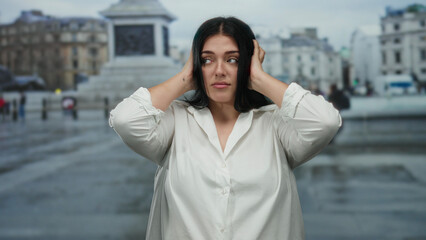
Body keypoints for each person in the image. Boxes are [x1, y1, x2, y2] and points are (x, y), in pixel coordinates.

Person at [109, 17, 341, 240]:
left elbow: (325, 122)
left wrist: (259, 79)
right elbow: (125, 119)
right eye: (207, 60)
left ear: (249, 64)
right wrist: (185, 77)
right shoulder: (175, 122)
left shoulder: (275, 125)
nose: (219, 70)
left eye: (233, 60)